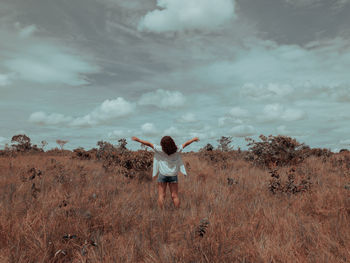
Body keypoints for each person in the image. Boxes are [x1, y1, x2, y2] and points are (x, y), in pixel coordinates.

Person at [131, 136, 199, 208]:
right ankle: (178, 212)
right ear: (172, 142)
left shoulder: (160, 149)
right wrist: (193, 140)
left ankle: (161, 212)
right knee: (175, 196)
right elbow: (186, 144)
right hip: (173, 175)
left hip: (162, 175)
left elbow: (149, 144)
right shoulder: (177, 149)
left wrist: (138, 140)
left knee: (161, 195)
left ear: (162, 144)